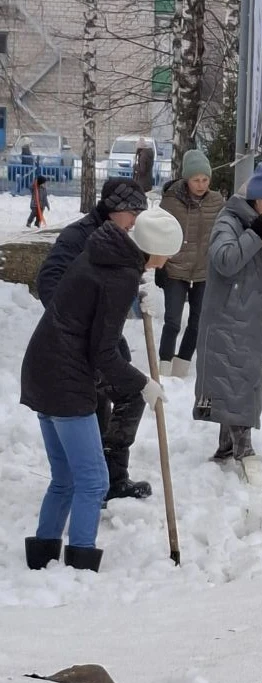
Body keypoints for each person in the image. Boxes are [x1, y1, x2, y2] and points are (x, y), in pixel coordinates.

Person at [20, 208, 183, 573]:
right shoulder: (120, 276)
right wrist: (143, 384)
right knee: (94, 481)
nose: (170, 259)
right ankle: (80, 564)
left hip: (40, 370)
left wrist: (135, 305)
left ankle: (43, 557)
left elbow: (90, 311)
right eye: (169, 252)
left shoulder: (102, 253)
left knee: (65, 477)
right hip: (66, 381)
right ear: (155, 249)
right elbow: (103, 351)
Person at [36, 178, 154, 502]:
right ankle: (97, 484)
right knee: (97, 401)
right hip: (76, 345)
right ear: (115, 209)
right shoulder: (79, 236)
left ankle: (112, 477)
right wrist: (77, 326)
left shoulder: (117, 236)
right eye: (133, 212)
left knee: (132, 392)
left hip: (105, 339)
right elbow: (49, 282)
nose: (135, 221)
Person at [193, 162, 262, 466]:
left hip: (248, 320)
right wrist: (253, 233)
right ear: (259, 198)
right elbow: (225, 260)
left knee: (240, 381)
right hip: (226, 319)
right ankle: (242, 448)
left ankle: (226, 446)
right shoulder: (229, 222)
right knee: (233, 380)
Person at [156, 149, 224, 378]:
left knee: (198, 321)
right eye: (196, 180)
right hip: (176, 269)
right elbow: (159, 232)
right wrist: (160, 265)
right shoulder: (171, 201)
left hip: (204, 271)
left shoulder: (216, 201)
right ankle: (164, 365)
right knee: (173, 320)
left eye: (205, 179)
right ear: (187, 179)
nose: (201, 184)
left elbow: (224, 231)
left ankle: (182, 364)